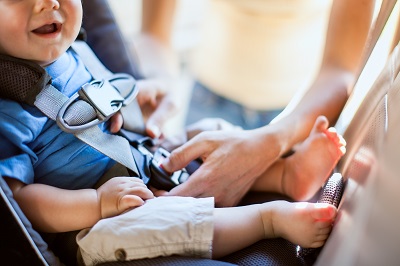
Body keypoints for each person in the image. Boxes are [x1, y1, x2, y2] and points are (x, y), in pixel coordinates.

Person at [0, 0, 344, 263]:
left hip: (141, 159)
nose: (48, 3)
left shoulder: (77, 52)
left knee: (206, 134)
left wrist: (137, 93)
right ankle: (267, 220)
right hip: (93, 223)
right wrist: (97, 204)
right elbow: (21, 201)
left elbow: (109, 94)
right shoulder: (8, 107)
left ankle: (286, 175)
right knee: (159, 219)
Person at [140, 0, 377, 206]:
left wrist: (274, 139)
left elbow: (341, 70)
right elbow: (153, 34)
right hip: (207, 104)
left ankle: (287, 174)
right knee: (184, 180)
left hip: (299, 117)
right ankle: (286, 175)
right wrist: (159, 80)